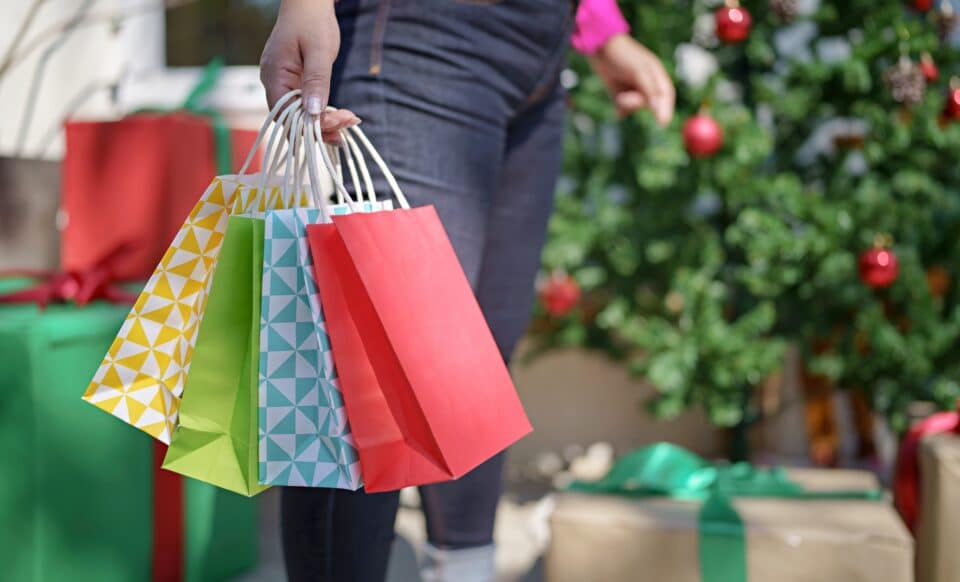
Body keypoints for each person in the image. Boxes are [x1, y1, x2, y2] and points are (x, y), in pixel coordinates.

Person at [259, 1, 674, 580]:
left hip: (539, 59)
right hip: (422, 38)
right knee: (375, 379)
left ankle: (464, 569)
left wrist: (600, 30)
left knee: (478, 362)